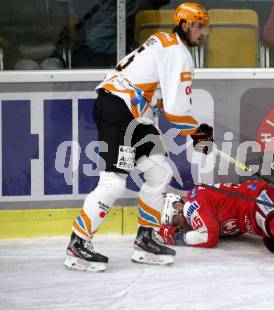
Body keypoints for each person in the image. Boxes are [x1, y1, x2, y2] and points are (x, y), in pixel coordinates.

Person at [64, 2, 213, 272]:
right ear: (184, 25)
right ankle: (79, 242)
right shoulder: (178, 53)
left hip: (132, 113)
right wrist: (199, 134)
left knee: (159, 172)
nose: (203, 33)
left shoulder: (162, 41)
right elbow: (177, 111)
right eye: (199, 27)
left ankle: (146, 238)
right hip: (119, 111)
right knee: (114, 182)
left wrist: (159, 128)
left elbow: (152, 94)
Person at [0, 0, 67, 70]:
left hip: (49, 52)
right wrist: (31, 32)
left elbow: (60, 26)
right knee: (28, 68)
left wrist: (39, 32)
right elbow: (3, 28)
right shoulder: (7, 2)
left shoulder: (50, 2)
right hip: (17, 53)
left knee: (52, 68)